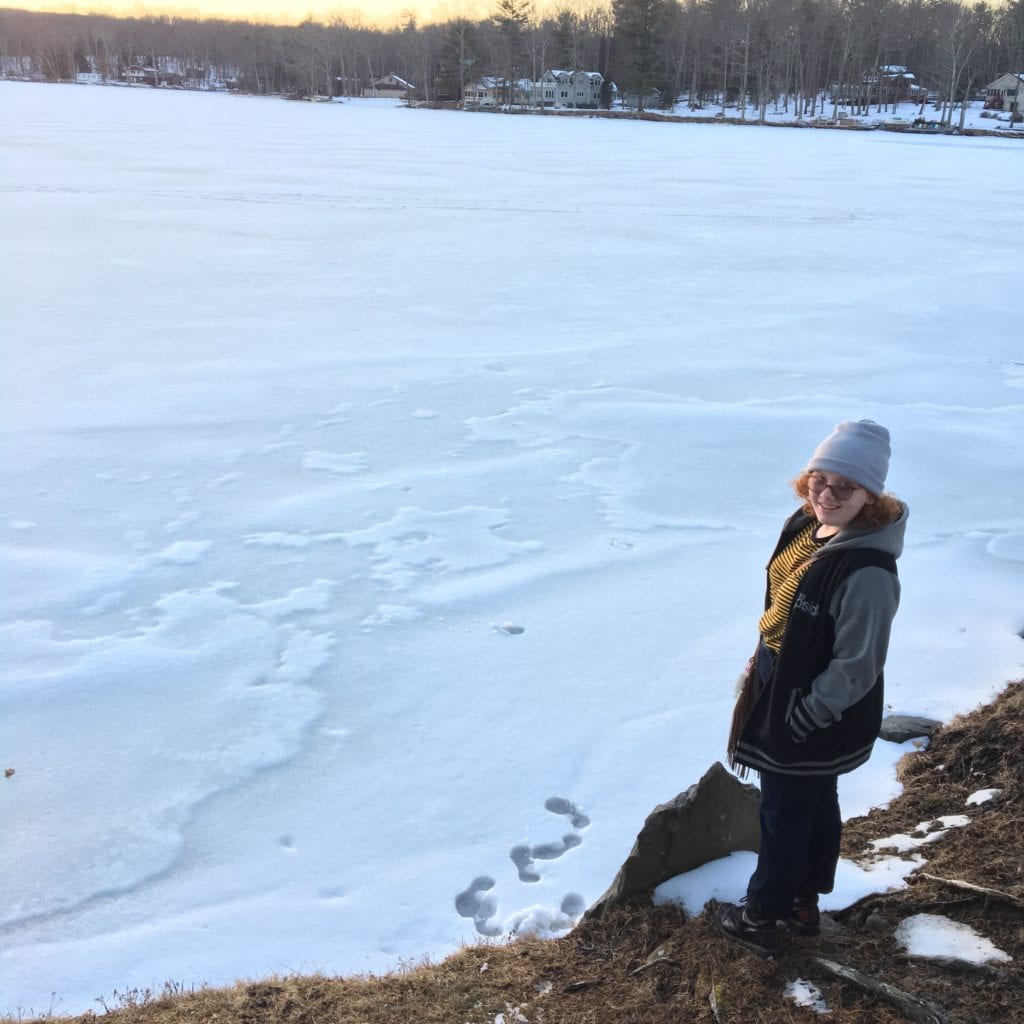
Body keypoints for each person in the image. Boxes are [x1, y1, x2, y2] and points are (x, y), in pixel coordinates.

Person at [718, 419, 908, 959]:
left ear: (871, 495)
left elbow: (858, 665)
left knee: (783, 810)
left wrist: (805, 714)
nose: (825, 494)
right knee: (816, 797)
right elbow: (782, 599)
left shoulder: (869, 572)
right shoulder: (807, 525)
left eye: (844, 486)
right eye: (818, 479)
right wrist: (764, 658)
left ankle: (761, 916)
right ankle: (803, 902)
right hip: (783, 675)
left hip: (817, 703)